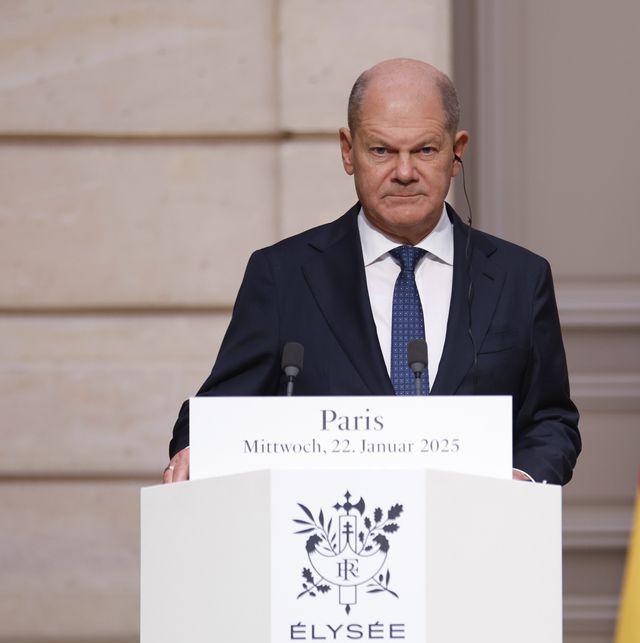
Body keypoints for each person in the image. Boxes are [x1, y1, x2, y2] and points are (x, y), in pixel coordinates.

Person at [163, 58, 580, 484]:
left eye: (425, 150)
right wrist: (199, 448)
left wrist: (520, 480)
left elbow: (551, 421)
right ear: (348, 150)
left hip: (474, 535)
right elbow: (215, 412)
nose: (403, 172)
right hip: (331, 536)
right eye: (381, 150)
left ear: (457, 153)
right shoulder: (283, 275)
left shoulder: (520, 278)